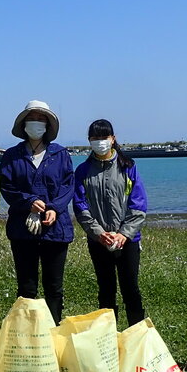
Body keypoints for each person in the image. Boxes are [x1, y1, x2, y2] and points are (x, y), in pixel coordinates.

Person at [0, 100, 75, 323]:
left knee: (54, 287)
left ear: (48, 126)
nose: (37, 123)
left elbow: (67, 185)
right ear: (23, 124)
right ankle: (27, 334)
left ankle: (53, 331)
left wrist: (55, 209)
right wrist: (29, 201)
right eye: (32, 118)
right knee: (26, 286)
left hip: (55, 229)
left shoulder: (60, 154)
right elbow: (7, 187)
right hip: (23, 229)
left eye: (42, 119)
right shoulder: (12, 155)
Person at [73, 119, 148, 327]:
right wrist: (98, 233)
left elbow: (138, 204)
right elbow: (80, 206)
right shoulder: (83, 171)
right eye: (95, 138)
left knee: (130, 288)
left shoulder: (128, 167)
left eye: (104, 137)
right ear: (89, 141)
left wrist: (124, 233)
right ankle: (108, 335)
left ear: (113, 139)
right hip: (99, 241)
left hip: (128, 240)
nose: (100, 142)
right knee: (106, 289)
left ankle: (137, 334)